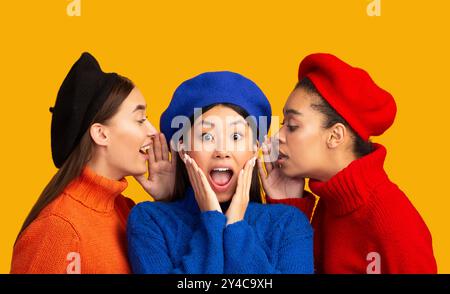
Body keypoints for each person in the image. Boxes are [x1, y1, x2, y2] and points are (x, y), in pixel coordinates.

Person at [258, 53, 437, 273]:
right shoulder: (330, 206)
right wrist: (289, 208)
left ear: (335, 136)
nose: (277, 136)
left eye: (292, 125)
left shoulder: (394, 222)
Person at [127, 71, 313, 274]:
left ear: (255, 148)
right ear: (182, 148)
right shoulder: (149, 220)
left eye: (236, 136)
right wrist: (212, 220)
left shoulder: (288, 223)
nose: (222, 151)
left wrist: (236, 228)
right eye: (206, 137)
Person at [11, 52, 174, 273]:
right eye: (140, 120)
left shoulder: (127, 211)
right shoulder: (58, 229)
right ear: (101, 134)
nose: (153, 132)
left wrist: (166, 202)